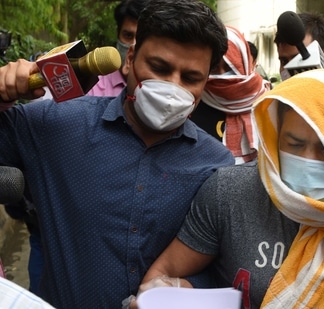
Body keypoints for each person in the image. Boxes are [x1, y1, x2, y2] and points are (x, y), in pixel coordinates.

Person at [0, 0, 234, 307]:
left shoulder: (217, 165)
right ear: (131, 59)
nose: (171, 87)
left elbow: (219, 263)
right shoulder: (55, 125)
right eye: (159, 68)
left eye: (191, 78)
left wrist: (187, 288)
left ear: (207, 82)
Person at [132, 69, 324, 308]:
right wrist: (165, 293)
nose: (308, 160)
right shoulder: (229, 192)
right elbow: (163, 274)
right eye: (294, 144)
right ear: (275, 137)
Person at [190, 26, 270, 164]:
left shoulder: (268, 101)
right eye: (214, 68)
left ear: (244, 63)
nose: (222, 75)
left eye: (230, 68)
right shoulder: (194, 102)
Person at [87, 0, 147, 96]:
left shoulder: (162, 90)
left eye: (141, 37)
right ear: (118, 35)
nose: (133, 45)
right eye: (128, 36)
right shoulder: (95, 91)